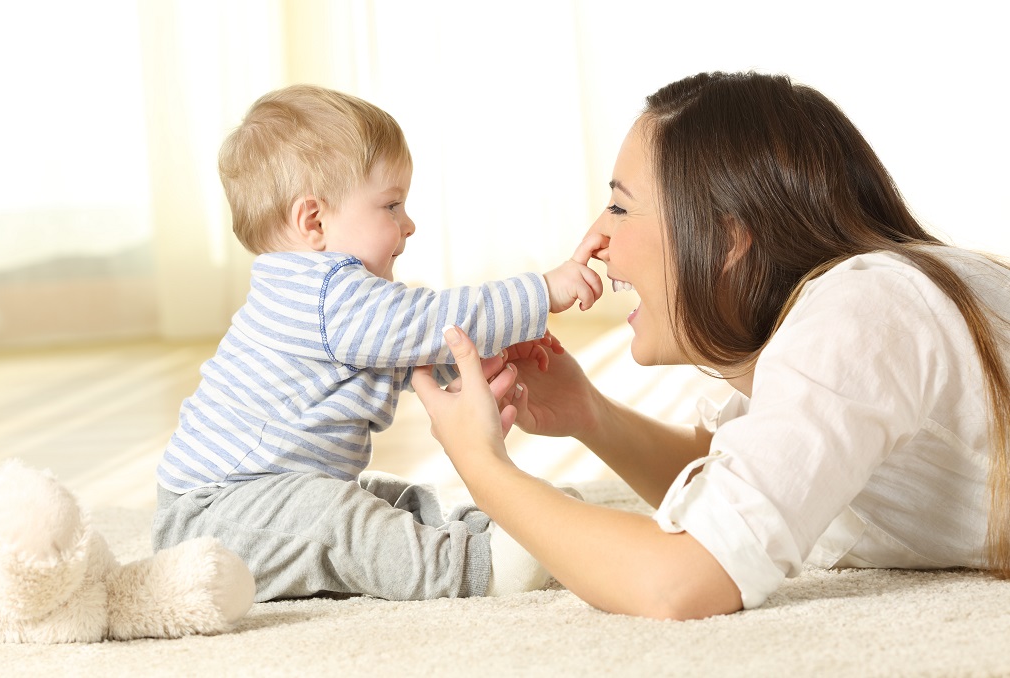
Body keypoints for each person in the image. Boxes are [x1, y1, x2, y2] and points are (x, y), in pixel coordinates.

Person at [412, 71, 1010, 620]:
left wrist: (482, 466)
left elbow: (683, 581)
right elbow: (738, 477)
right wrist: (588, 413)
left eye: (620, 207)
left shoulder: (863, 313)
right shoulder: (852, 314)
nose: (596, 241)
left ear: (728, 237)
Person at [151, 84, 603, 602]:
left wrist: (479, 360)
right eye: (391, 205)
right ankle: (477, 567)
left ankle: (501, 528)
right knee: (339, 518)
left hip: (249, 501)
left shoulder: (338, 301)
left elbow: (408, 352)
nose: (408, 225)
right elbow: (423, 323)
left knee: (382, 499)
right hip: (212, 518)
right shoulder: (320, 293)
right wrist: (540, 293)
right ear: (314, 221)